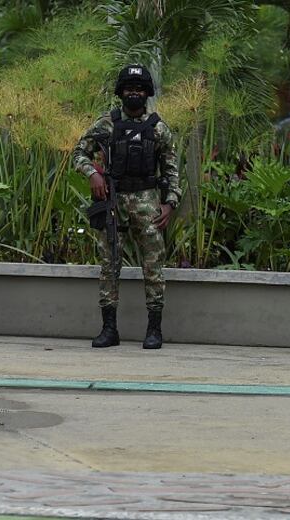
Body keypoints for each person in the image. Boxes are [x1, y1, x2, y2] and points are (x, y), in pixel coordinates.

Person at [73, 65, 181, 350]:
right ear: (121, 93)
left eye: (139, 89)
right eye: (129, 89)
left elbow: (171, 170)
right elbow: (79, 152)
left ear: (147, 93)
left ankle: (154, 330)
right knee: (109, 265)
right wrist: (93, 174)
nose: (134, 94)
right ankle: (109, 329)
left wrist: (170, 203)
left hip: (147, 202)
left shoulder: (158, 128)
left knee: (153, 265)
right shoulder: (106, 124)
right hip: (113, 200)